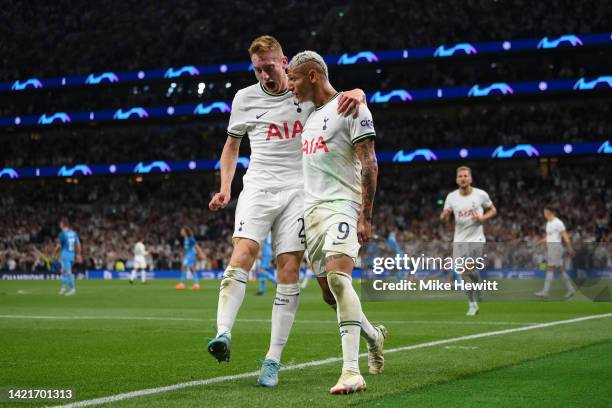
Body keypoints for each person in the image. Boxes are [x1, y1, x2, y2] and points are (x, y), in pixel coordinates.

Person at [206, 35, 365, 388]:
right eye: (258, 69)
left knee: (288, 266)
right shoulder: (244, 99)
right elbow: (231, 147)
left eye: (270, 67)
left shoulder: (301, 93)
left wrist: (359, 92)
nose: (265, 75)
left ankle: (272, 360)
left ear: (285, 62)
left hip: (299, 190)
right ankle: (223, 333)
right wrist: (226, 188)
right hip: (258, 187)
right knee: (242, 253)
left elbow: (333, 94)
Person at [287, 50, 387, 395]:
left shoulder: (352, 107)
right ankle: (374, 337)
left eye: (294, 78)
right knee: (331, 295)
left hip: (343, 205)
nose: (289, 86)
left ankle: (350, 372)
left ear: (313, 75)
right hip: (311, 214)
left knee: (340, 279)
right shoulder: (310, 119)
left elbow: (370, 162)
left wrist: (365, 215)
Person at [440, 166, 497, 316]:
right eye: (460, 176)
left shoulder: (481, 195)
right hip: (459, 239)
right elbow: (444, 217)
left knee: (467, 269)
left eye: (466, 176)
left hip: (476, 238)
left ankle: (474, 302)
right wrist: (444, 216)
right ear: (457, 179)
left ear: (470, 178)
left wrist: (482, 218)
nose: (463, 178)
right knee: (465, 273)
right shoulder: (451, 197)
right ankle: (473, 303)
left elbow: (493, 210)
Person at [535, 206, 576, 299]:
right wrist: (541, 241)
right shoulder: (548, 223)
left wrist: (570, 248)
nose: (544, 214)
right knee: (560, 271)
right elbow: (550, 236)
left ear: (550, 212)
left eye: (545, 212)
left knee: (550, 268)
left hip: (556, 247)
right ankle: (571, 289)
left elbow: (565, 235)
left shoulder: (558, 222)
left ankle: (545, 292)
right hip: (551, 247)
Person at [55, 217, 82, 296]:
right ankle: (63, 288)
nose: (59, 225)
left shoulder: (62, 234)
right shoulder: (74, 233)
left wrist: (55, 252)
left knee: (68, 272)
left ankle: (73, 289)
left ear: (63, 224)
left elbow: (59, 246)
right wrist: (78, 255)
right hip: (72, 255)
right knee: (64, 271)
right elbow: (78, 245)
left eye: (60, 224)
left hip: (65, 254)